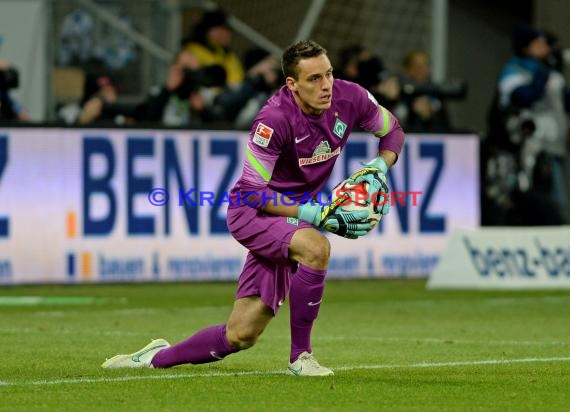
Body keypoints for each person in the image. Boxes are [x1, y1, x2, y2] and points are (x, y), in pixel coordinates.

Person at [101, 40, 404, 376]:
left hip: (291, 218)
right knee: (316, 247)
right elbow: (254, 193)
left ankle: (156, 357)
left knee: (241, 334)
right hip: (253, 213)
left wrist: (380, 165)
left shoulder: (351, 98)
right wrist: (315, 214)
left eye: (329, 74)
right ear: (292, 84)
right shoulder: (273, 120)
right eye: (314, 79)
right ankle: (301, 358)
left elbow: (392, 130)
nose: (326, 85)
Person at [485, 24, 568, 225]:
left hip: (554, 148)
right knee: (534, 202)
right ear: (525, 47)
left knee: (555, 204)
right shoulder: (514, 70)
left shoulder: (552, 73)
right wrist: (543, 74)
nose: (545, 49)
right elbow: (524, 97)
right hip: (526, 152)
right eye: (538, 44)